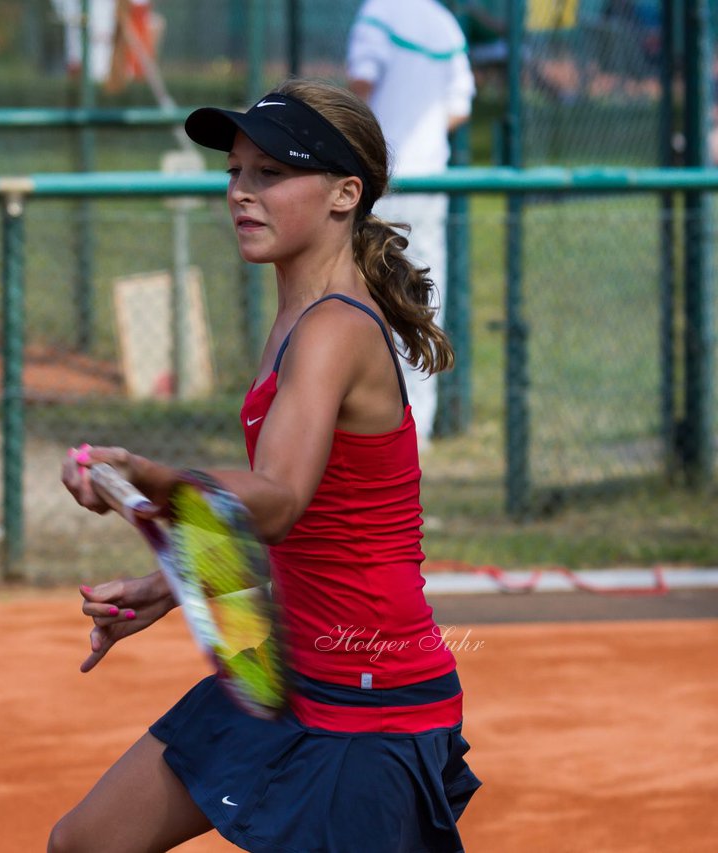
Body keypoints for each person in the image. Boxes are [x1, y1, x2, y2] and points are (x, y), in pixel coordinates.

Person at [50, 78, 481, 853]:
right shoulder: (294, 316)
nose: (242, 193)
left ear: (345, 193)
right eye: (235, 172)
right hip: (282, 673)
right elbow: (310, 526)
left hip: (368, 699)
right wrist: (175, 579)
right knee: (86, 842)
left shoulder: (334, 328)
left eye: (271, 174)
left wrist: (144, 475)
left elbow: (277, 500)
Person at [347, 0, 475, 444]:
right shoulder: (445, 24)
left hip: (383, 181)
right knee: (421, 299)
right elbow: (460, 106)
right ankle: (415, 426)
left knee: (368, 294)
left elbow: (360, 88)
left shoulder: (378, 13)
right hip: (429, 178)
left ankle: (378, 425)